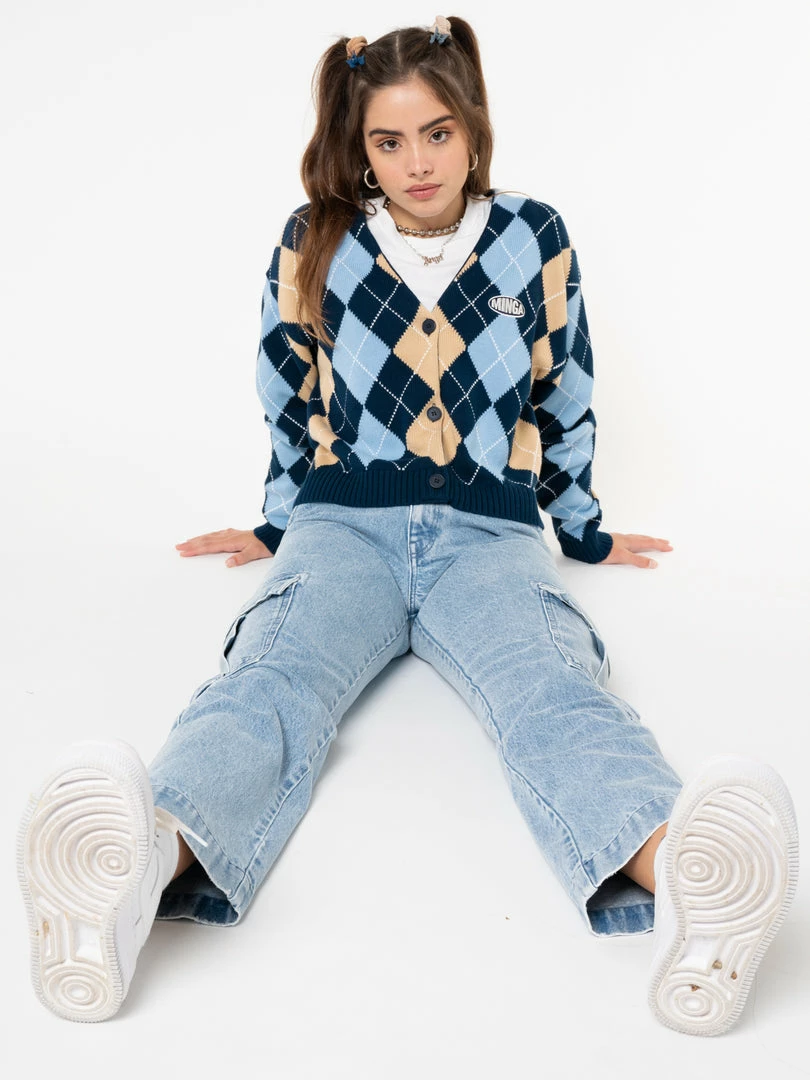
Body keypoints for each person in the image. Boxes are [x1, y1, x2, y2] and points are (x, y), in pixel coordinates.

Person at [17, 15, 798, 1036]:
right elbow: (289, 390)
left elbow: (566, 387)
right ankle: (135, 871)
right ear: (361, 148)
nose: (416, 163)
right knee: (271, 680)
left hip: (491, 536)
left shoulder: (533, 236)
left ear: (472, 129)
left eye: (436, 133)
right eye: (388, 142)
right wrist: (278, 521)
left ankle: (683, 880)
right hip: (344, 525)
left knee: (551, 688)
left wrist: (583, 529)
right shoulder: (315, 238)